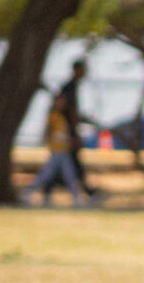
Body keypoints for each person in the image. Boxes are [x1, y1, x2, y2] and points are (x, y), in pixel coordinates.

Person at [26, 74, 94, 206]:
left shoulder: (61, 118)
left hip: (63, 150)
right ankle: (29, 191)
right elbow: (55, 135)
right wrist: (70, 141)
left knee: (69, 175)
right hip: (58, 150)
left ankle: (76, 198)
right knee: (48, 175)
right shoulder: (53, 117)